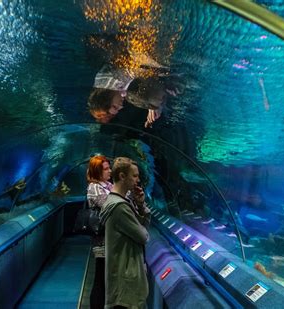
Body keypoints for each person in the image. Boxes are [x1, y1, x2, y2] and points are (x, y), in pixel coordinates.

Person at [99, 157, 151, 308]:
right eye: (134, 176)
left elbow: (139, 227)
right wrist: (143, 227)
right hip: (126, 283)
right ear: (122, 176)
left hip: (121, 278)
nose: (138, 180)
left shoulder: (116, 201)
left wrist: (141, 205)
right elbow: (143, 236)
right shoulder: (120, 207)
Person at [88, 63, 179, 128]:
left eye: (115, 106)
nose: (121, 106)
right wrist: (152, 106)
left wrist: (153, 101)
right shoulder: (116, 90)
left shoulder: (114, 78)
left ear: (106, 97)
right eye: (118, 109)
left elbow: (146, 69)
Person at [86, 155, 113, 309]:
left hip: (111, 240)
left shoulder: (108, 185)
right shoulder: (94, 187)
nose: (110, 171)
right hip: (102, 241)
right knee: (100, 279)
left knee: (107, 280)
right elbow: (109, 206)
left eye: (109, 167)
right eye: (106, 169)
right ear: (97, 171)